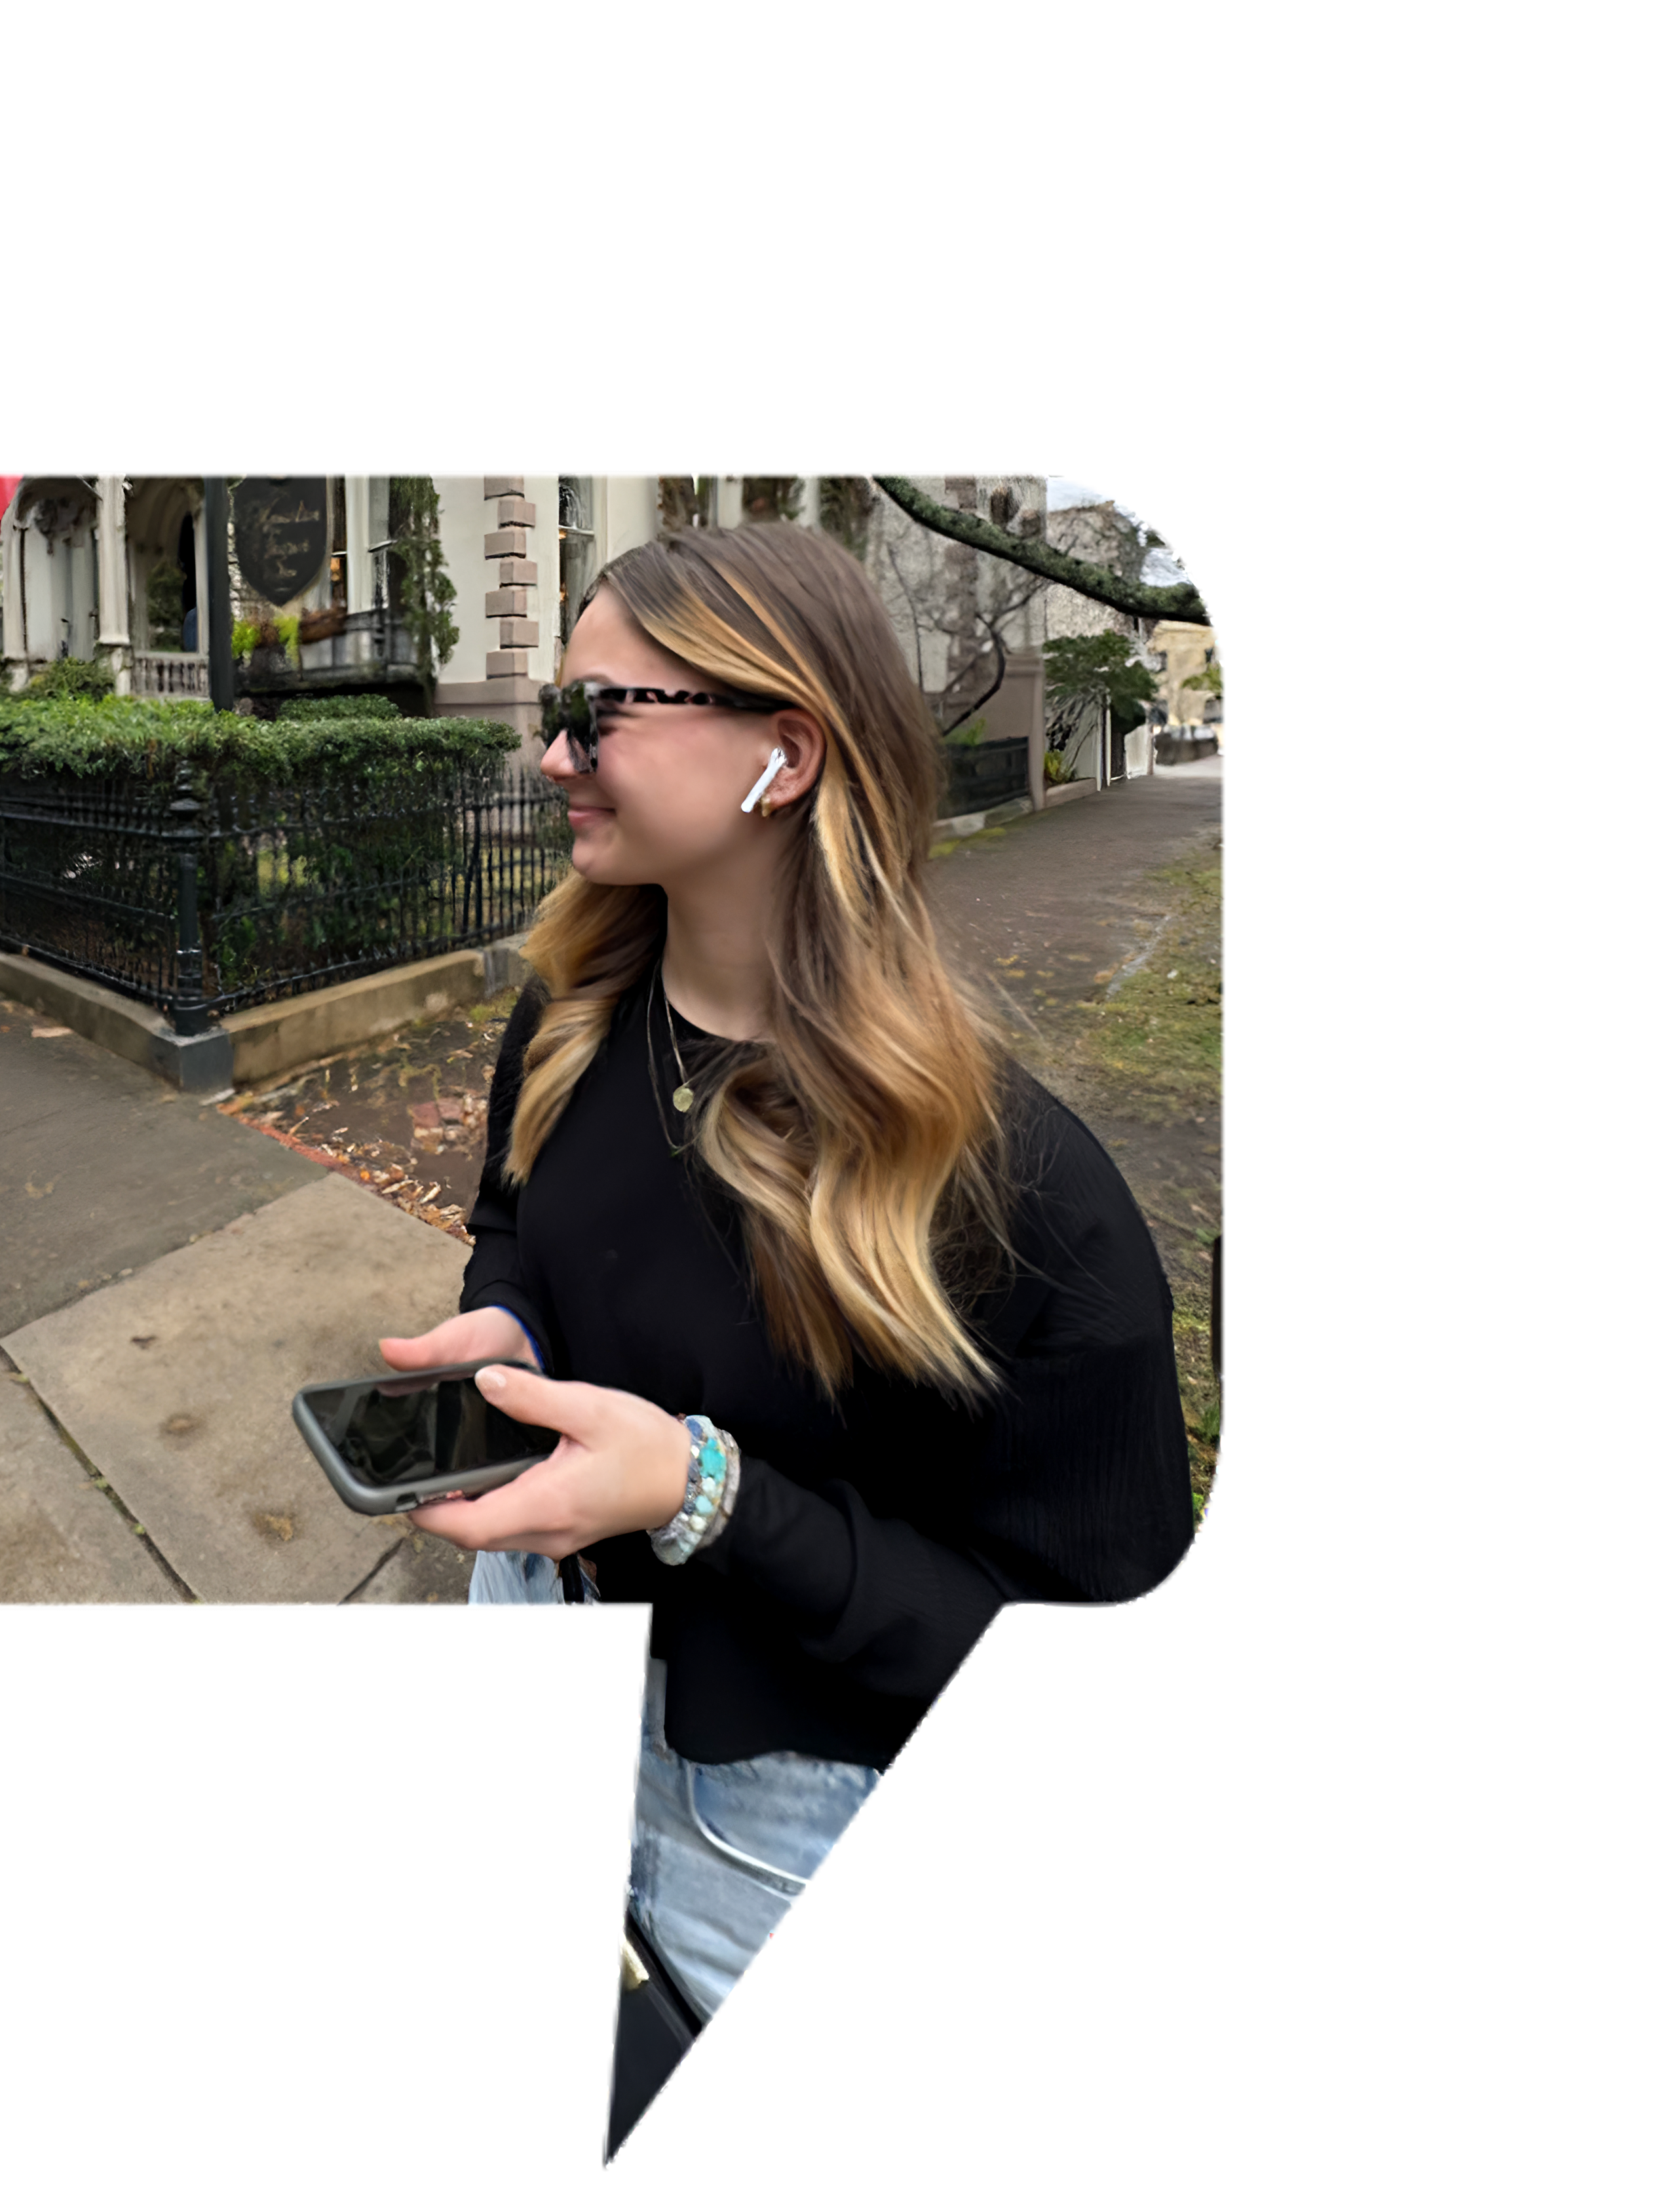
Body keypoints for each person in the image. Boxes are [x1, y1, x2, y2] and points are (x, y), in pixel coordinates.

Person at [377, 523, 1191, 2103]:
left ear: (784, 753)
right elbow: (513, 1230)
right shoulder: (565, 1017)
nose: (553, 752)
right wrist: (507, 1335)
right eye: (560, 705)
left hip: (780, 1818)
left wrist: (703, 1496)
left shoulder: (1026, 1205)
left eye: (602, 713)